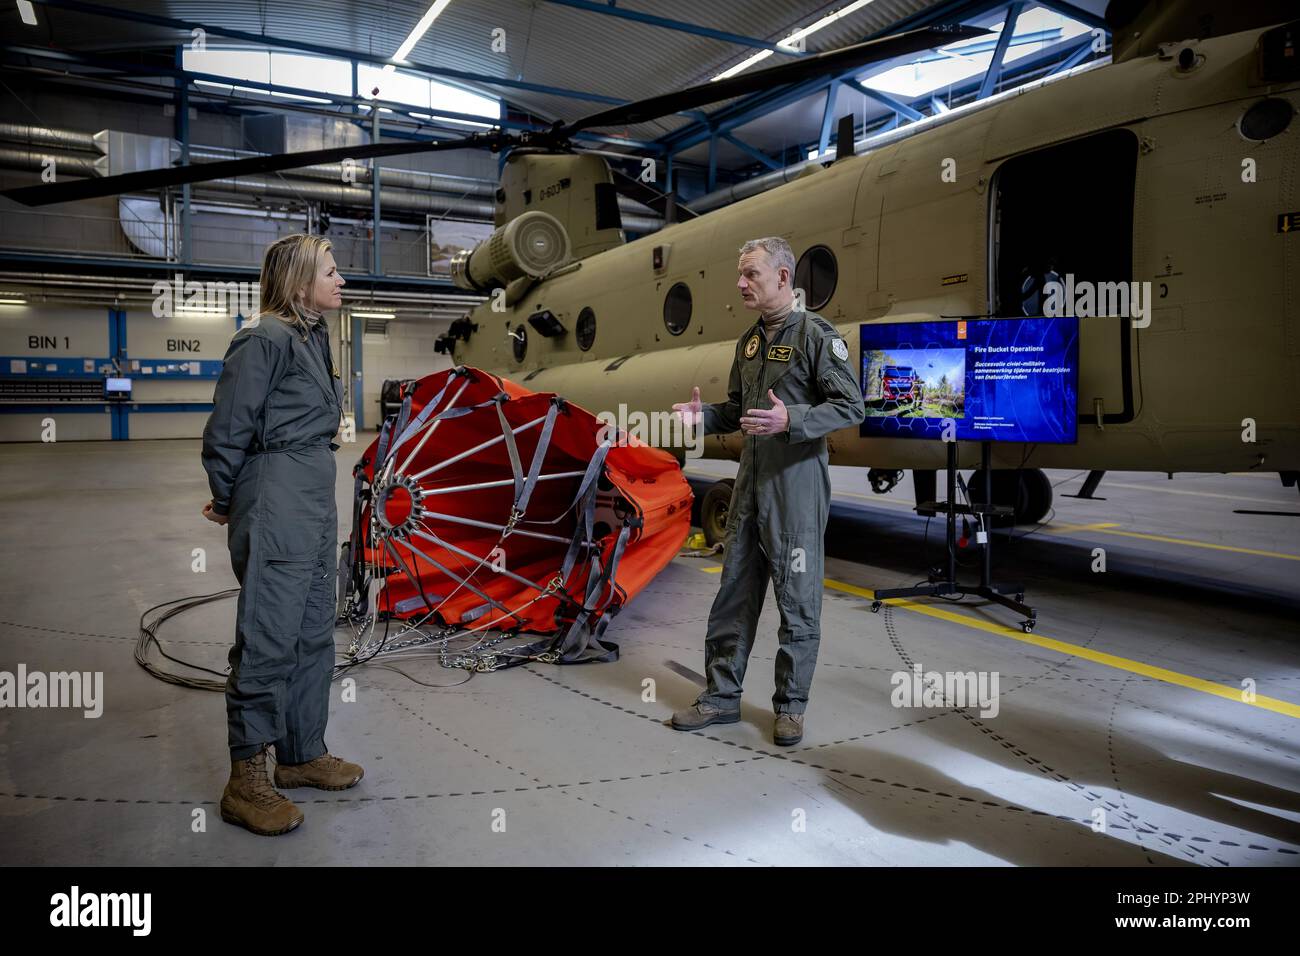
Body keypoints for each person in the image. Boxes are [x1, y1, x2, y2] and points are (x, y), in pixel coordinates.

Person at [671, 237, 865, 746]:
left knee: (797, 603)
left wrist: (792, 419)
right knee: (733, 595)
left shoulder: (817, 336)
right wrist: (705, 416)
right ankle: (719, 697)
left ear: (783, 278)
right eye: (740, 274)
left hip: (795, 494)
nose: (740, 284)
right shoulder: (750, 342)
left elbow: (852, 407)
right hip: (749, 493)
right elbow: (739, 409)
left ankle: (791, 707)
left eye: (751, 274)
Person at [201, 234, 363, 836]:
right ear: (299, 284)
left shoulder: (312, 336)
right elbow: (227, 431)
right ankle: (246, 779)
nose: (341, 278)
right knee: (270, 631)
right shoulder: (263, 339)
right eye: (330, 270)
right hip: (276, 492)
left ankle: (300, 753)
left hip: (315, 489)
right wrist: (226, 497)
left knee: (314, 628)